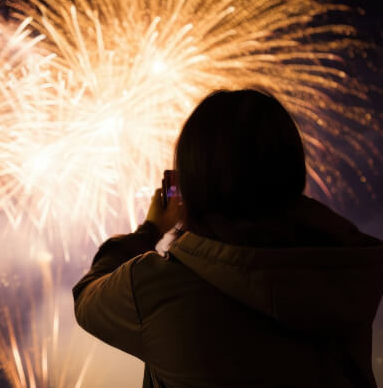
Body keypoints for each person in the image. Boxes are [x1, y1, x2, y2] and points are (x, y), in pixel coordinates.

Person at [73, 90, 383, 387]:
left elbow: (87, 296)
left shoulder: (155, 287)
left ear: (192, 179)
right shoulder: (350, 269)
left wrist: (151, 229)